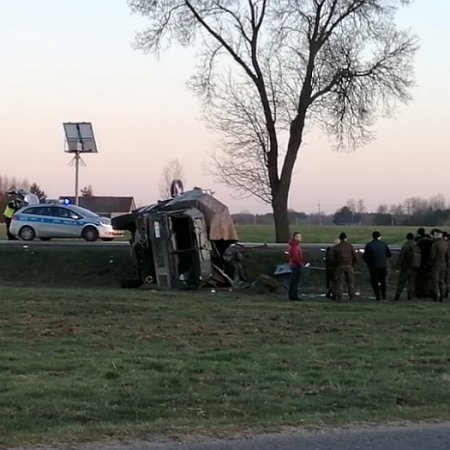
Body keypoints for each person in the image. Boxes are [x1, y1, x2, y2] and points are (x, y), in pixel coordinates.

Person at [363, 231, 392, 301]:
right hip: (383, 266)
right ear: (379, 236)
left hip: (373, 266)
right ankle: (384, 296)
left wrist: (369, 263)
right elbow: (389, 254)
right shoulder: (384, 244)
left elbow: (365, 257)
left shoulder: (369, 245)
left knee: (374, 282)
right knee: (383, 281)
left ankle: (378, 296)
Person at [393, 232, 421, 301]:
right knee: (411, 283)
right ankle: (410, 297)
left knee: (401, 282)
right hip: (414, 266)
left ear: (407, 238)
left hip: (406, 267)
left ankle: (397, 296)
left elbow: (401, 257)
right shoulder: (416, 245)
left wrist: (397, 266)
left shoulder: (406, 245)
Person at [331, 232, 357, 301]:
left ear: (340, 238)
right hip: (349, 265)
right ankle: (351, 296)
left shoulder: (336, 247)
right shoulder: (350, 246)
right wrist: (353, 264)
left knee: (340, 282)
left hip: (340, 265)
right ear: (346, 238)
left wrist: (335, 264)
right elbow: (355, 256)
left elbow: (332, 258)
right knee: (351, 281)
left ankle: (339, 296)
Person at [428, 229, 449, 302]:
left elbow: (432, 256)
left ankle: (437, 294)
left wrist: (429, 264)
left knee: (435, 280)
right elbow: (448, 256)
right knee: (442, 280)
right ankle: (443, 294)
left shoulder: (435, 244)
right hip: (444, 264)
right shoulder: (446, 244)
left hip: (436, 264)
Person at [415, 227, 433, 298]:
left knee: (420, 278)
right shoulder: (430, 241)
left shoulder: (419, 242)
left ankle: (421, 293)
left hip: (421, 261)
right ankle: (429, 292)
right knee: (429, 279)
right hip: (429, 262)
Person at [288, 231, 304, 301]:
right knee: (295, 281)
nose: (300, 238)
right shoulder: (295, 245)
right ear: (295, 237)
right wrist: (300, 264)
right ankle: (294, 296)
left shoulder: (295, 245)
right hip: (295, 265)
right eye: (299, 236)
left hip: (294, 264)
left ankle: (292, 295)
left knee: (293, 281)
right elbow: (295, 257)